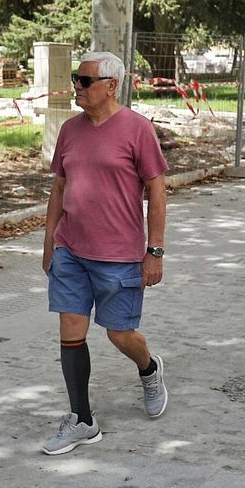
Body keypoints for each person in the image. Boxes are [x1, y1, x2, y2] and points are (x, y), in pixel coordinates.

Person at [40, 50, 170, 455]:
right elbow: (59, 188)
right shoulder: (70, 130)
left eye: (84, 80)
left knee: (119, 333)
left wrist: (155, 251)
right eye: (76, 79)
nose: (76, 87)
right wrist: (49, 244)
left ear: (111, 85)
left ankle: (148, 369)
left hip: (119, 255)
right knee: (70, 332)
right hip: (71, 252)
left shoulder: (137, 129)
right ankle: (82, 419)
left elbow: (158, 190)